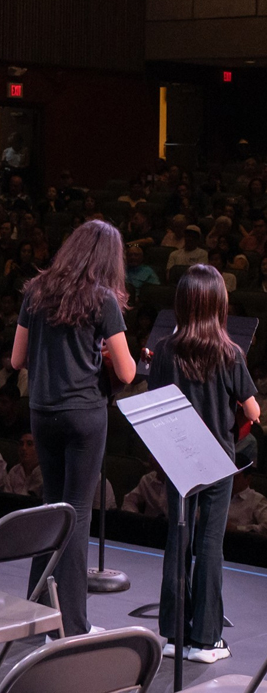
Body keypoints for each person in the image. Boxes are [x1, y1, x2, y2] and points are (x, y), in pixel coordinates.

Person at [11, 219, 136, 637]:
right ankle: (73, 625)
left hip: (43, 411)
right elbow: (128, 371)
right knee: (78, 515)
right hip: (84, 414)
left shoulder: (36, 292)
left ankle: (36, 612)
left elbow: (16, 360)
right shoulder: (102, 300)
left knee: (50, 507)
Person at [148, 265, 258, 663]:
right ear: (217, 305)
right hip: (217, 460)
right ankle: (206, 640)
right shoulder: (230, 352)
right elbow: (253, 408)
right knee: (210, 545)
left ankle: (174, 635)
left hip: (177, 457)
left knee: (178, 542)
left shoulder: (163, 350)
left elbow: (154, 402)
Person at [227, 467, 267, 536]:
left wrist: (237, 529)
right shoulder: (218, 497)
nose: (230, 481)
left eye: (235, 477)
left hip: (241, 542)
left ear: (248, 479)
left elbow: (265, 527)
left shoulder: (257, 500)